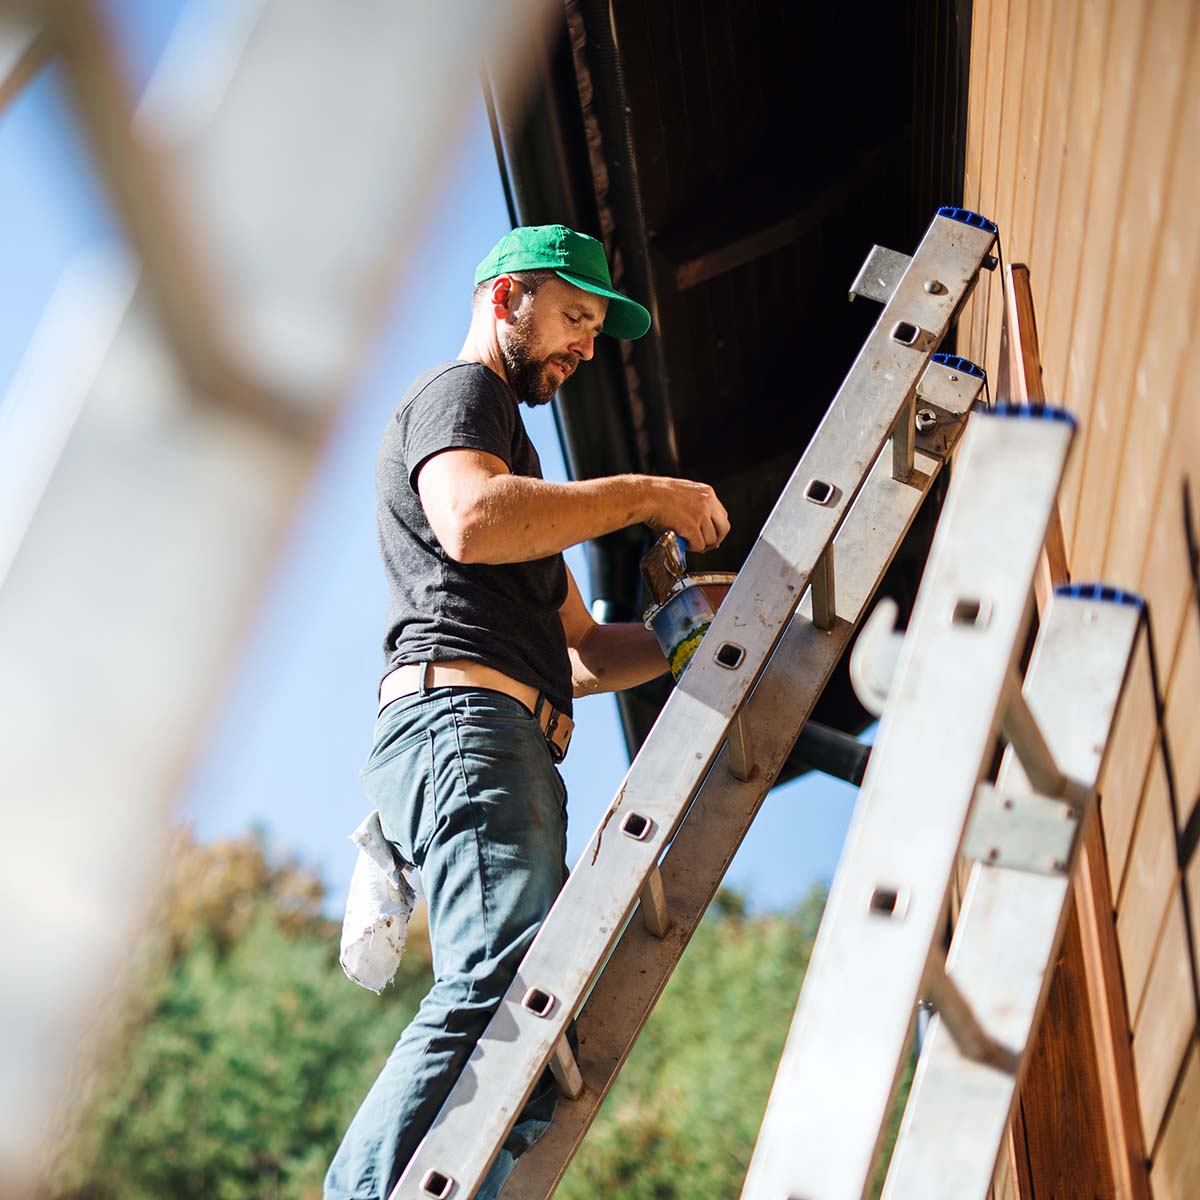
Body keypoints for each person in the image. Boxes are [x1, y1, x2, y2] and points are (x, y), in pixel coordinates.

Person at [324, 224, 729, 1200]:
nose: (587, 346)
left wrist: (701, 629)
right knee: (503, 982)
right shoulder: (463, 400)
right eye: (574, 317)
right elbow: (469, 517)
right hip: (464, 728)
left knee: (529, 1036)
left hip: (498, 736)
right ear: (506, 298)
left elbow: (584, 653)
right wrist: (647, 495)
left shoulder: (517, 470)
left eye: (595, 329)